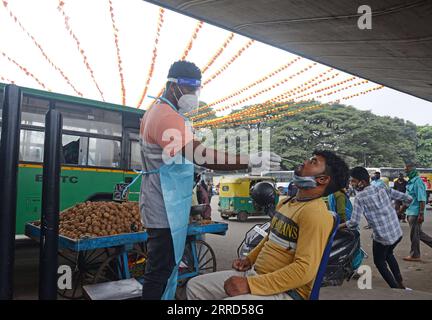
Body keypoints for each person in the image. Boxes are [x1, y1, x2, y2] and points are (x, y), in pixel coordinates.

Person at [139, 60, 281, 300]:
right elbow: (200, 154)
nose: (194, 94)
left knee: (164, 267)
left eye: (197, 88)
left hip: (167, 204)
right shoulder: (165, 116)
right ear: (172, 86)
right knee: (159, 271)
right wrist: (248, 160)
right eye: (190, 88)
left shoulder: (164, 112)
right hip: (164, 206)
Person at [186, 150, 349, 300]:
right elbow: (271, 237)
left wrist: (250, 285)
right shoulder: (286, 202)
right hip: (256, 274)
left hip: (287, 292)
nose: (305, 161)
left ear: (322, 179)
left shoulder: (315, 214)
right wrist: (249, 259)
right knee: (195, 287)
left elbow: (304, 270)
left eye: (313, 162)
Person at [340, 167, 412, 289]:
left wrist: (338, 227)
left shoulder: (360, 197)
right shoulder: (382, 187)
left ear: (362, 182)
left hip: (382, 237)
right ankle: (401, 285)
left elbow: (353, 222)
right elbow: (408, 199)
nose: (351, 184)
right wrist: (399, 212)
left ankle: (396, 289)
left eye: (353, 181)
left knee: (379, 262)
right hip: (396, 233)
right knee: (389, 254)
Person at [401, 162, 432, 262]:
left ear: (411, 169)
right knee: (418, 233)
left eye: (406, 170)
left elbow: (422, 199)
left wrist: (421, 214)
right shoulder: (411, 182)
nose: (405, 172)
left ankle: (415, 255)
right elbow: (409, 199)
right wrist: (402, 209)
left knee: (414, 235)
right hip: (410, 212)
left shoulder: (417, 182)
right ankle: (415, 254)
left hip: (415, 213)